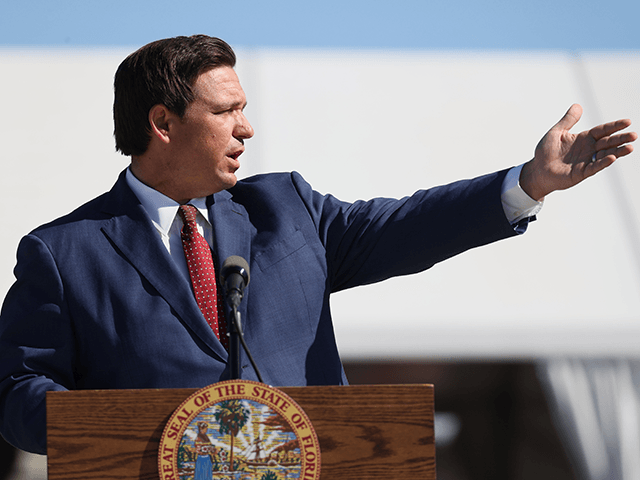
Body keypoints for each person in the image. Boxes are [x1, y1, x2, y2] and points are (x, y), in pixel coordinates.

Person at [0, 35, 636, 456]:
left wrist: (526, 184)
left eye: (245, 107)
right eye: (225, 111)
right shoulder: (63, 254)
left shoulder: (285, 210)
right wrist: (133, 431)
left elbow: (406, 226)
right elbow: (19, 391)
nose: (247, 128)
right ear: (162, 123)